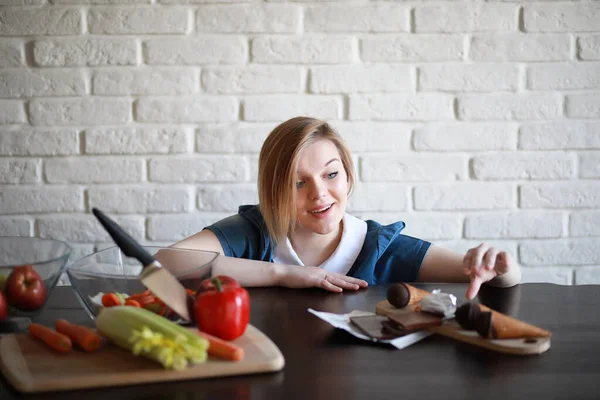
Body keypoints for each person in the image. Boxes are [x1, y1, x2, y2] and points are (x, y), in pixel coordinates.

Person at [164, 117, 521, 300]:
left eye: (331, 174)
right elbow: (168, 262)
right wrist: (284, 275)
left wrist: (500, 266)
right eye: (297, 183)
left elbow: (488, 275)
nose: (319, 194)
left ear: (348, 176)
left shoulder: (381, 246)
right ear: (274, 191)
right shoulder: (254, 231)